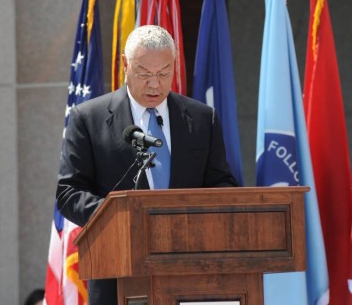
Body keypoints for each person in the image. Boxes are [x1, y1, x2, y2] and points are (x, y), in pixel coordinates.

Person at [56, 25, 237, 305]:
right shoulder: (88, 118)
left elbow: (222, 184)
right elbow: (69, 193)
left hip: (190, 272)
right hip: (118, 273)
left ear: (175, 67)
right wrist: (121, 219)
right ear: (126, 65)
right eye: (144, 73)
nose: (154, 84)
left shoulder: (203, 119)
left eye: (164, 73)